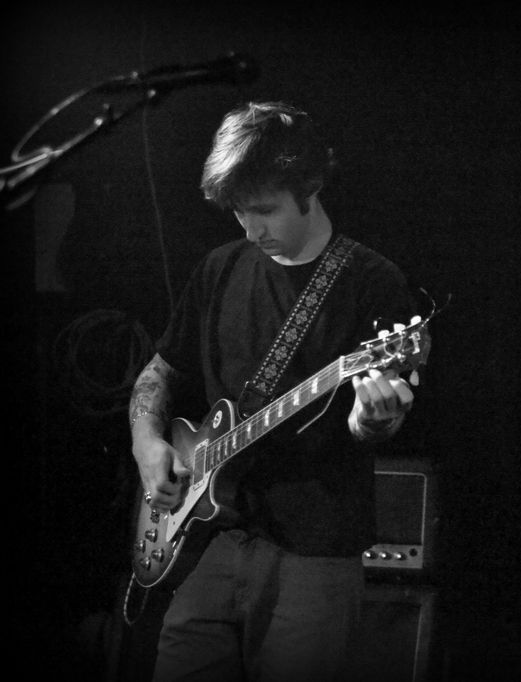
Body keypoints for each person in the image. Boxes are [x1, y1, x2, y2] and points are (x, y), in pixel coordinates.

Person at [128, 101, 422, 681]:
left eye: (265, 210)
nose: (251, 229)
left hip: (315, 551)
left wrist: (373, 418)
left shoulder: (372, 282)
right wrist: (146, 441)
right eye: (240, 212)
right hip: (212, 540)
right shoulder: (219, 268)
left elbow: (377, 424)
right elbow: (158, 374)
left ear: (311, 188)